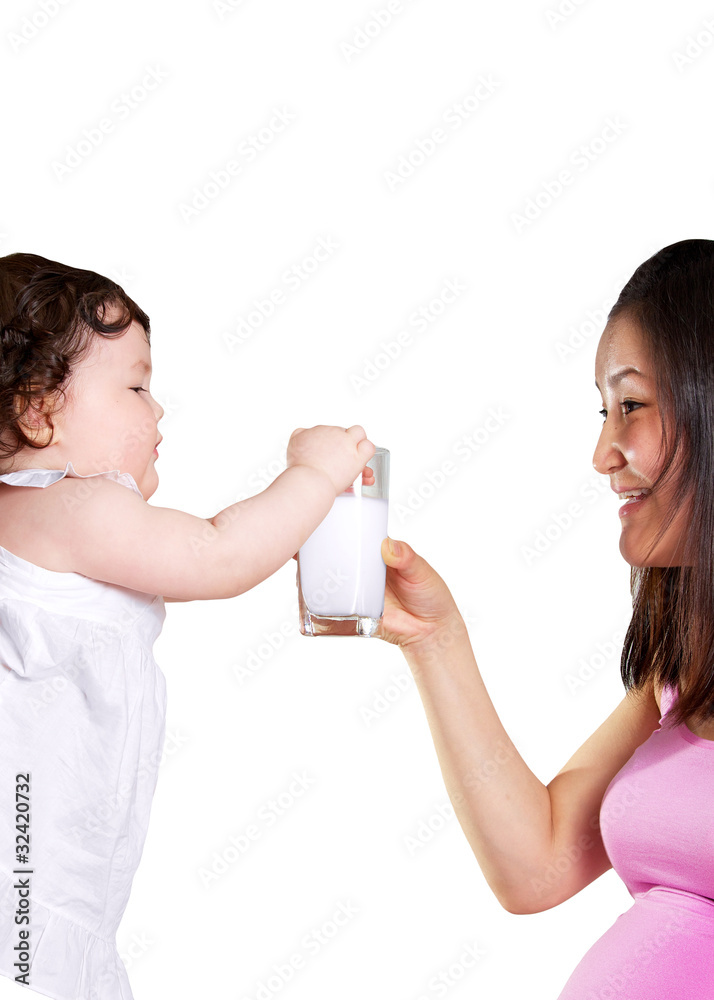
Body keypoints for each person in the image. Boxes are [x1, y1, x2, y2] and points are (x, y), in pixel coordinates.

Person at [0, 252, 375, 1000]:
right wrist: (315, 473)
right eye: (136, 385)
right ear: (39, 410)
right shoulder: (70, 505)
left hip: (53, 897)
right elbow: (219, 553)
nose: (158, 408)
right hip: (31, 905)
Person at [377, 239, 714, 998]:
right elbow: (538, 866)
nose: (603, 451)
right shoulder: (682, 671)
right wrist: (435, 639)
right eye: (604, 410)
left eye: (631, 405)